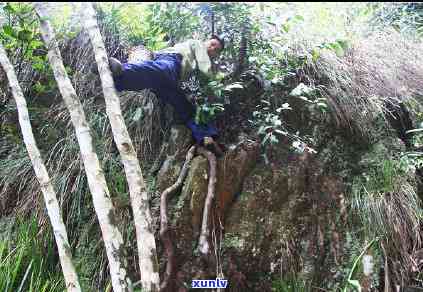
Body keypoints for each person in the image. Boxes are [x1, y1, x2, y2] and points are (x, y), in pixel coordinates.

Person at [109, 34, 225, 154]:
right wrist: (218, 84)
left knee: (187, 108)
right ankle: (120, 71)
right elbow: (205, 70)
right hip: (172, 59)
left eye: (216, 50)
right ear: (205, 42)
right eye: (212, 45)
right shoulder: (198, 45)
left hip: (173, 81)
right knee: (163, 70)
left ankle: (207, 137)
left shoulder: (197, 64)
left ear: (217, 55)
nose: (212, 49)